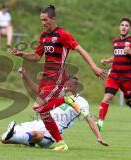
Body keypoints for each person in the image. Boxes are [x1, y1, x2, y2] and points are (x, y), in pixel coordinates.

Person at [10, 5, 106, 151]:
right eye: (41, 20)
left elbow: (80, 50)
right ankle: (61, 143)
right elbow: (36, 56)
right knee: (43, 112)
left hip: (57, 75)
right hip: (46, 77)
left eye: (46, 20)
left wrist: (94, 67)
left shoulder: (63, 35)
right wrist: (22, 54)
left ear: (53, 19)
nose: (43, 23)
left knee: (39, 107)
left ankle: (67, 99)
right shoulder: (44, 36)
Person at [1, 68, 109, 148]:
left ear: (76, 86)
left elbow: (89, 120)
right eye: (65, 84)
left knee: (35, 134)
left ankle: (23, 137)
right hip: (39, 123)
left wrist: (99, 137)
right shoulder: (57, 94)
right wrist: (25, 76)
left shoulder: (81, 102)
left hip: (53, 131)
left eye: (70, 85)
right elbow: (39, 92)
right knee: (3, 139)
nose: (66, 87)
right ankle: (24, 139)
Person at [97, 18, 131, 131]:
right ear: (119, 27)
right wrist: (108, 61)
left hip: (127, 78)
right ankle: (99, 122)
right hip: (114, 76)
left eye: (126, 25)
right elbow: (117, 55)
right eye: (122, 25)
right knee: (107, 98)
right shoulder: (115, 41)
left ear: (130, 28)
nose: (124, 27)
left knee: (129, 102)